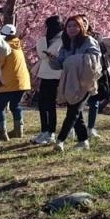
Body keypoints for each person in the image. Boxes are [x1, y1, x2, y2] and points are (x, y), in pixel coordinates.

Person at [50, 15, 101, 152]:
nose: (72, 29)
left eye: (75, 26)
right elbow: (60, 64)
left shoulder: (88, 41)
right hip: (70, 82)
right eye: (69, 26)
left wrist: (75, 60)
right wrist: (52, 59)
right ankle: (83, 141)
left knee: (73, 112)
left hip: (85, 82)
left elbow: (96, 59)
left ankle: (60, 140)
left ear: (81, 27)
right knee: (75, 113)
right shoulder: (65, 44)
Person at [0, 24, 31, 140]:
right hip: (22, 82)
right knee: (15, 105)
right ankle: (19, 131)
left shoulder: (5, 47)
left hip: (8, 83)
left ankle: (2, 133)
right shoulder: (18, 44)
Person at [33, 15, 63, 144]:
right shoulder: (46, 39)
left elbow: (51, 54)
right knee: (42, 103)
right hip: (45, 73)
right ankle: (44, 130)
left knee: (50, 104)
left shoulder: (63, 38)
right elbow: (42, 55)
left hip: (55, 74)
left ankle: (50, 132)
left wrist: (47, 53)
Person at [87, 28, 110, 140]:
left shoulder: (101, 41)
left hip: (98, 74)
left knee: (94, 102)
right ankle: (74, 128)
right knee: (78, 103)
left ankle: (90, 128)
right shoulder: (77, 40)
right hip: (83, 73)